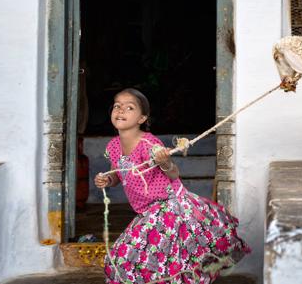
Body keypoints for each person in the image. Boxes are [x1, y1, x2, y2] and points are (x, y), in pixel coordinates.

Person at [94, 88, 250, 283]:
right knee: (134, 258)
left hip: (169, 207)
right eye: (117, 106)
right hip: (147, 211)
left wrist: (164, 162)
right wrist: (108, 180)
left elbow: (173, 173)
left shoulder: (150, 144)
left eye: (129, 107)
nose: (121, 111)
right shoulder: (113, 146)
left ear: (142, 118)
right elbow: (117, 173)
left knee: (145, 258)